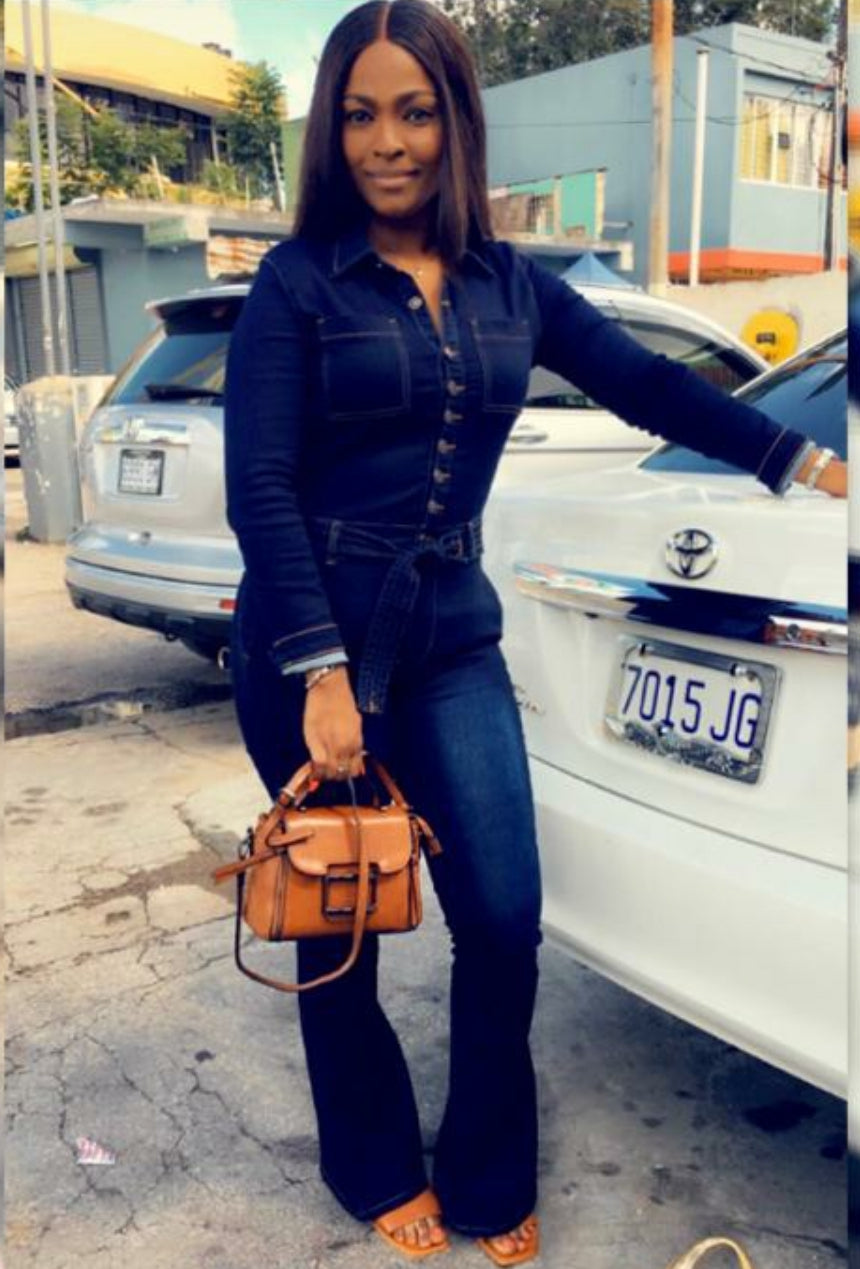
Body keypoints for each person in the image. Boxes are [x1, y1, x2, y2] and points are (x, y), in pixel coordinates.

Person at [223, 1, 847, 1263]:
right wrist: (318, 671)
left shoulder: (514, 284)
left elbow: (650, 384)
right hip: (310, 640)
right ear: (331, 131)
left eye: (413, 112)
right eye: (359, 115)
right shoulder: (296, 285)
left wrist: (796, 458)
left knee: (502, 918)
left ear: (454, 120)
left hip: (452, 638)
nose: (386, 143)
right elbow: (260, 489)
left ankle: (486, 1175)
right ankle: (371, 1167)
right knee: (341, 921)